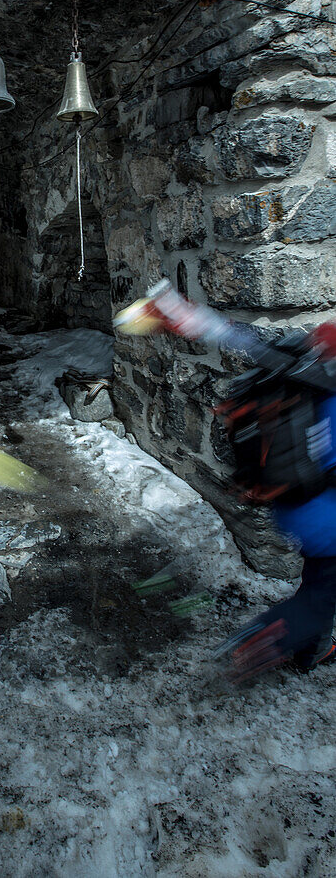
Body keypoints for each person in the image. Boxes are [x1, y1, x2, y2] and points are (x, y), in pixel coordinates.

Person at [116, 280, 336, 683]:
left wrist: (177, 312)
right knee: (323, 598)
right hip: (327, 516)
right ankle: (259, 641)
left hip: (289, 503)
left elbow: (237, 335)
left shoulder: (298, 364)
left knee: (320, 581)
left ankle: (312, 650)